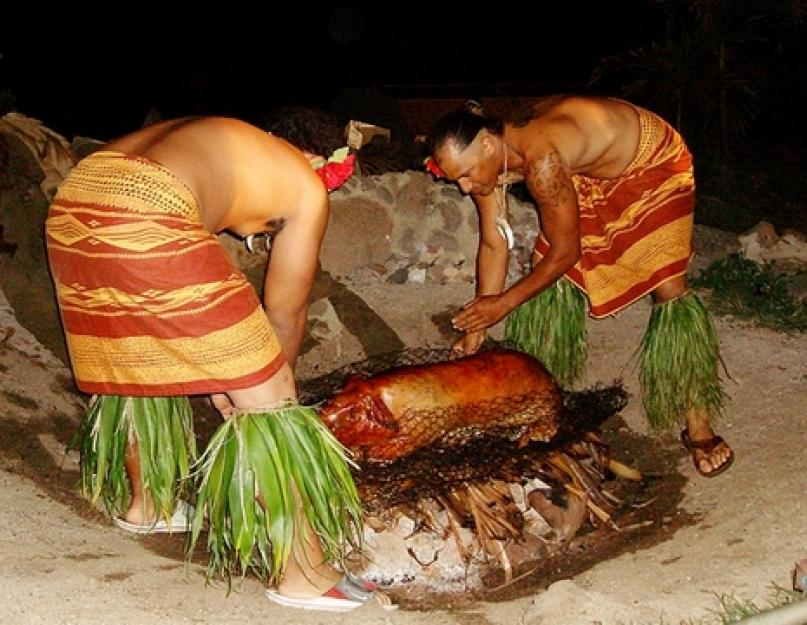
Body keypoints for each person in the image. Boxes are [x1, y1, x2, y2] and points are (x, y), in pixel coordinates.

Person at [45, 116, 392, 611]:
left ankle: (148, 504)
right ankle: (304, 572)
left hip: (77, 198)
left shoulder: (224, 139)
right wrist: (265, 383)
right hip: (151, 203)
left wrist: (220, 365)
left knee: (132, 355)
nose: (259, 234)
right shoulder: (307, 186)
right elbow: (285, 313)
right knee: (271, 399)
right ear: (316, 158)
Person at [425, 96, 733, 478]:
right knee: (548, 278)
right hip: (588, 168)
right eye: (457, 179)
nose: (465, 187)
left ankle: (699, 425)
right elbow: (494, 243)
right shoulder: (490, 160)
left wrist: (503, 304)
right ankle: (540, 403)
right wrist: (479, 323)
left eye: (466, 174)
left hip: (651, 162)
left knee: (668, 288)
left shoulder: (541, 160)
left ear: (487, 143)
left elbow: (566, 252)